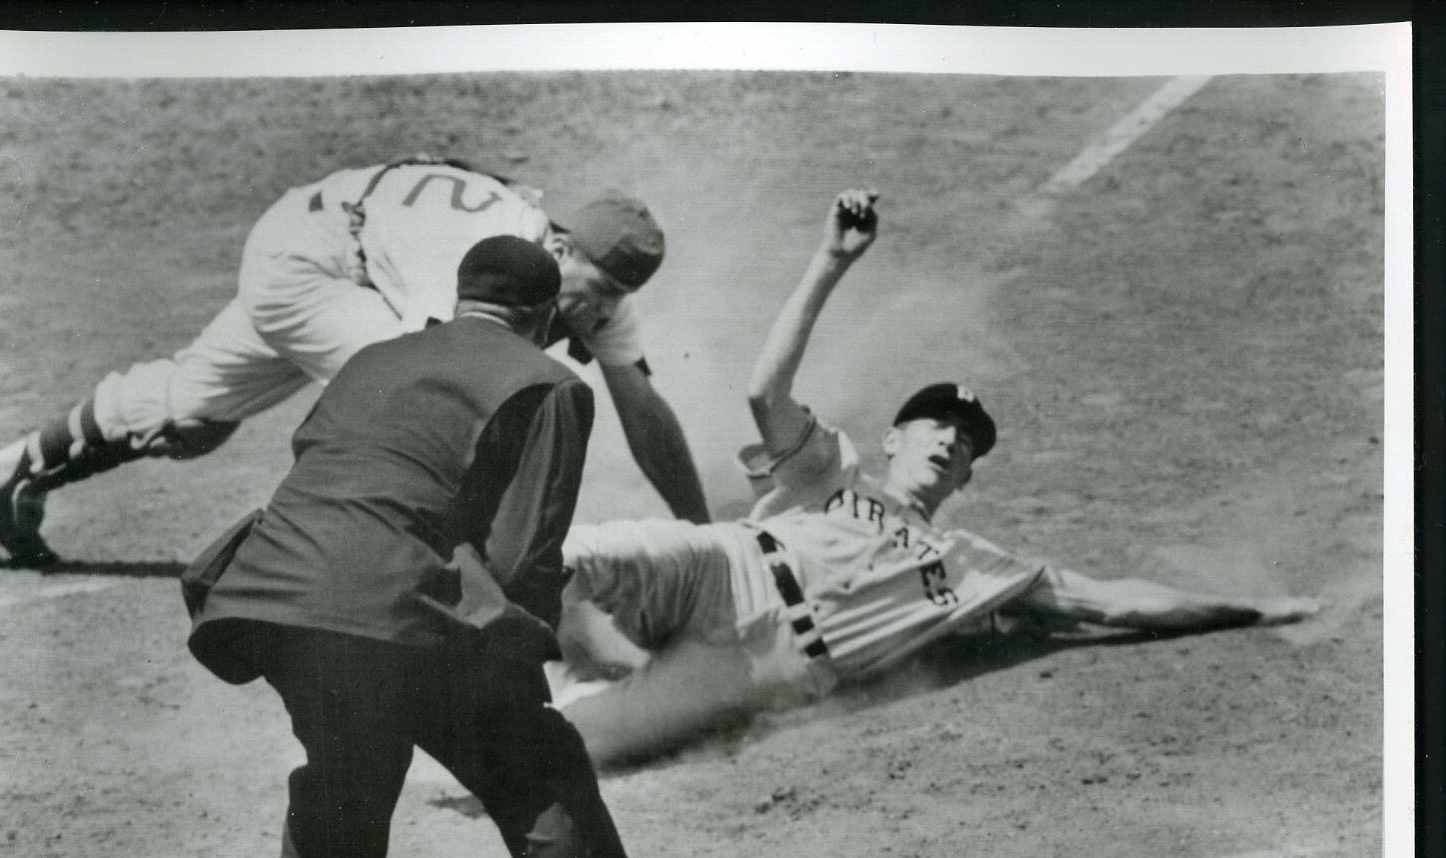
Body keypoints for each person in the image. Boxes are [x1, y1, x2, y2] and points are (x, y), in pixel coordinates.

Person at [181, 235, 717, 858]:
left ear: (463, 294)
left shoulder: (370, 359)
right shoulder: (546, 382)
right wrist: (527, 658)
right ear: (541, 315)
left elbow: (327, 473)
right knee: (535, 764)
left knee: (349, 761)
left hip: (271, 595)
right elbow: (522, 559)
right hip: (386, 603)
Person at [554, 189, 1322, 767]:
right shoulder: (831, 468)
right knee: (573, 557)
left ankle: (533, 695)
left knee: (570, 748)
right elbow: (765, 391)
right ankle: (478, 627)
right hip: (725, 571)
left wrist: (1254, 609)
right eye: (939, 426)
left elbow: (1112, 601)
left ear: (967, 479)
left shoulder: (974, 568)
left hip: (763, 668)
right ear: (894, 438)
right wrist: (831, 262)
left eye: (968, 445)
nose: (953, 442)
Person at [0, 156, 711, 565]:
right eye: (600, 290)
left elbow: (643, 410)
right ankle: (411, 566)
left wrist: (703, 534)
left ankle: (8, 471)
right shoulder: (479, 257)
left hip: (337, 250)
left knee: (191, 415)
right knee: (415, 396)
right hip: (313, 260)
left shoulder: (589, 283)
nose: (601, 310)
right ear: (561, 246)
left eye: (617, 298)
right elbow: (440, 382)